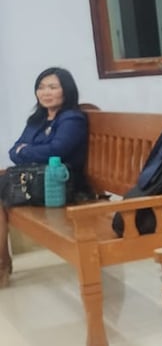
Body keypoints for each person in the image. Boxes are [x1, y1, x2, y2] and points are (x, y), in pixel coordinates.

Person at [0, 67, 88, 288]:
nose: (45, 92)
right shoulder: (37, 119)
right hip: (35, 181)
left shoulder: (72, 119)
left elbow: (56, 151)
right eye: (41, 87)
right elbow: (13, 151)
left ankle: (2, 265)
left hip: (62, 185)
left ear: (66, 91)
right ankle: (2, 263)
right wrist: (29, 151)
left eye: (52, 87)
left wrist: (26, 151)